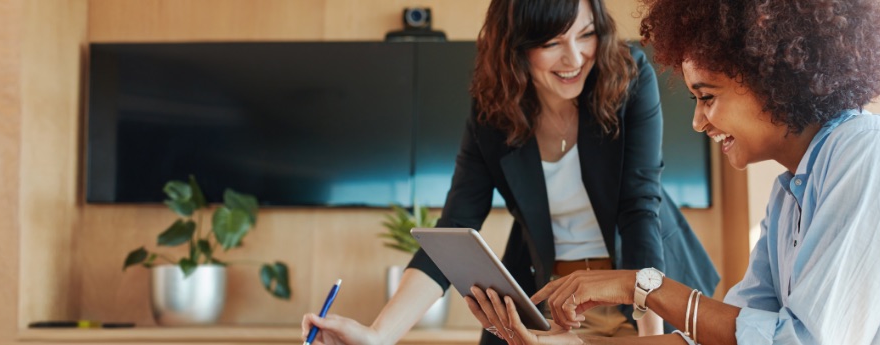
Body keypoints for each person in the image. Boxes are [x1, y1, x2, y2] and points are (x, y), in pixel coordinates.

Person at [471, 0, 880, 344]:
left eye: (707, 97)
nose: (698, 120)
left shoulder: (869, 153)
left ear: (772, 76)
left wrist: (636, 285)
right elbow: (721, 337)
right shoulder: (789, 195)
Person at [301, 0, 719, 344]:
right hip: (554, 304)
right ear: (516, 46)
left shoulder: (628, 77)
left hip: (644, 288)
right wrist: (377, 336)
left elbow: (638, 208)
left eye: (586, 34)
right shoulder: (494, 111)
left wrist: (652, 335)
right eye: (552, 42)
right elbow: (455, 227)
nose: (574, 58)